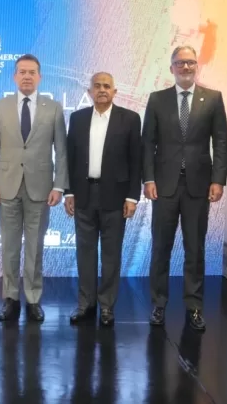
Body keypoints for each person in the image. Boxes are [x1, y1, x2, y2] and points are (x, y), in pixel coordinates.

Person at [143, 45, 227, 331]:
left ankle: (194, 307)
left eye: (191, 62)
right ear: (172, 68)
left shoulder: (213, 99)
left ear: (197, 66)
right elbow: (148, 144)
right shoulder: (157, 100)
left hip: (198, 187)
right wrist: (148, 178)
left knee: (195, 249)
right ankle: (158, 304)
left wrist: (218, 180)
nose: (186, 67)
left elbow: (221, 141)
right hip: (164, 186)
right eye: (180, 63)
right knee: (161, 248)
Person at [0, 54, 68, 323]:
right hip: (7, 186)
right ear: (14, 76)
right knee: (9, 246)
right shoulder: (1, 106)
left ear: (40, 77)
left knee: (35, 246)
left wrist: (59, 185)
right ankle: (10, 298)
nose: (27, 76)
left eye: (32, 72)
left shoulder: (53, 108)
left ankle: (33, 298)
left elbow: (61, 150)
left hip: (41, 188)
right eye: (22, 72)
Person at [64, 72, 141, 326]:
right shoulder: (77, 118)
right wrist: (69, 192)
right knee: (84, 253)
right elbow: (70, 158)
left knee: (111, 254)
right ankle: (86, 304)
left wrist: (132, 197)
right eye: (97, 86)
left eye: (107, 86)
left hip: (116, 198)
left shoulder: (129, 119)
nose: (102, 90)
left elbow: (135, 161)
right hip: (84, 195)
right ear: (89, 91)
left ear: (115, 91)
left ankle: (107, 306)